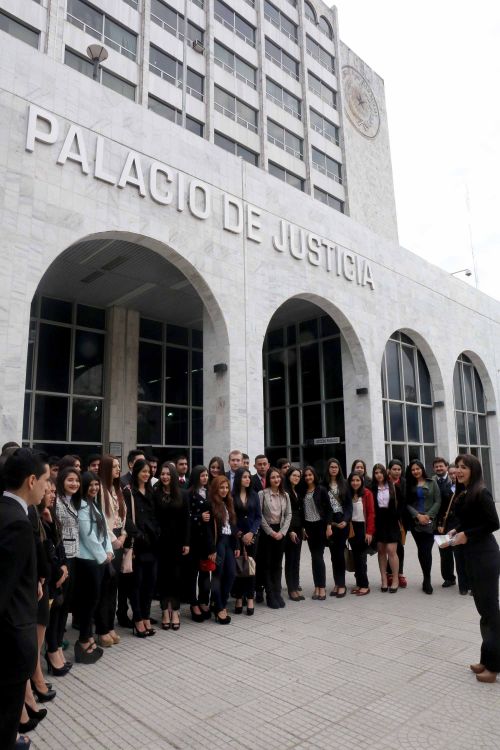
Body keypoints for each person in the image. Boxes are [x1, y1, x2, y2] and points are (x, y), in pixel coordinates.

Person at [0, 448, 49, 750]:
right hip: (11, 642)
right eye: (45, 480)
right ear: (31, 481)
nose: (47, 488)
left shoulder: (8, 510)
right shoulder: (17, 523)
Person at [448, 454, 500, 683]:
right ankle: (486, 659)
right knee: (484, 612)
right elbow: (471, 521)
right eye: (457, 466)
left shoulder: (481, 492)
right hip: (473, 556)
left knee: (491, 613)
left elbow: (493, 523)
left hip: (485, 557)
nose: (458, 471)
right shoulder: (466, 492)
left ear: (474, 470)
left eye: (464, 467)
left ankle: (494, 666)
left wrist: (466, 535)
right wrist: (457, 530)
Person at [75, 472, 112, 664]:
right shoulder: (81, 506)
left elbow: (104, 530)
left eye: (96, 484)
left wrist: (109, 550)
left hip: (98, 560)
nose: (94, 488)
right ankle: (83, 640)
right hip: (88, 561)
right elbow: (88, 536)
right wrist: (103, 556)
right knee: (88, 603)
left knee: (94, 601)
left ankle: (88, 637)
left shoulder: (93, 504)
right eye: (90, 485)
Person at [123, 459, 160, 637]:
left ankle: (146, 617)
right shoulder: (129, 491)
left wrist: (157, 532)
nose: (146, 474)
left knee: (150, 584)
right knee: (136, 584)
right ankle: (137, 619)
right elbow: (126, 518)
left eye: (148, 472)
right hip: (137, 544)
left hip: (152, 544)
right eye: (143, 471)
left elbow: (156, 515)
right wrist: (138, 535)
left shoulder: (152, 491)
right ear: (136, 472)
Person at [51, 466, 82, 673]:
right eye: (70, 480)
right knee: (58, 606)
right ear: (61, 480)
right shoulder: (56, 501)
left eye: (77, 480)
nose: (74, 483)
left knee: (66, 605)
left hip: (74, 556)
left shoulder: (74, 501)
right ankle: (52, 649)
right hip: (62, 559)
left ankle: (58, 646)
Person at [154, 463, 190, 631]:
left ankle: (175, 611)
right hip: (160, 542)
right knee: (163, 578)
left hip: (177, 543)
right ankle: (164, 611)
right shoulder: (155, 493)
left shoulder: (183, 494)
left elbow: (186, 520)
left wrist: (186, 542)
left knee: (176, 577)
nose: (165, 477)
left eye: (168, 474)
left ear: (174, 476)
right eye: (163, 474)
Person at [97, 455, 126, 643]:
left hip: (119, 539)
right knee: (105, 587)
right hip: (107, 542)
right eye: (114, 466)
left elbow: (123, 516)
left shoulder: (118, 488)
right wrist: (114, 540)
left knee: (114, 587)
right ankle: (102, 629)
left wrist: (123, 534)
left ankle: (110, 626)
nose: (118, 469)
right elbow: (101, 519)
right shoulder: (100, 489)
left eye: (118, 466)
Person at [405, 460, 441, 594]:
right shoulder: (408, 485)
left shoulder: (432, 482)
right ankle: (426, 578)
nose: (415, 471)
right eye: (413, 469)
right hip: (415, 523)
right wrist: (418, 515)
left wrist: (428, 516)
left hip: (430, 522)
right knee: (421, 549)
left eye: (418, 469)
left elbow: (438, 501)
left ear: (422, 469)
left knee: (427, 550)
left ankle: (427, 579)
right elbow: (406, 503)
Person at [259, 467, 292, 609]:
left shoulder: (285, 495)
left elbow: (289, 514)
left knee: (277, 564)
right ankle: (270, 594)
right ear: (268, 479)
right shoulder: (262, 494)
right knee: (267, 564)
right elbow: (259, 515)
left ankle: (277, 593)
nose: (276, 479)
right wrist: (271, 532)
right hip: (267, 533)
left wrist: (282, 532)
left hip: (281, 532)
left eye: (278, 477)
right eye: (273, 477)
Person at [209, 475, 240, 624]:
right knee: (218, 575)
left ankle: (220, 601)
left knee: (231, 573)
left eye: (226, 487)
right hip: (218, 543)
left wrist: (237, 545)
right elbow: (208, 530)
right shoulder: (211, 504)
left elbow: (234, 526)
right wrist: (211, 549)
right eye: (221, 487)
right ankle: (220, 607)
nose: (224, 490)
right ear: (216, 488)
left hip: (229, 542)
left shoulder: (229, 502)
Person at [232, 467, 262, 615]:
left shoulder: (254, 495)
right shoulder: (232, 495)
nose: (248, 479)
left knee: (250, 568)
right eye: (244, 477)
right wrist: (239, 533)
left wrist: (251, 532)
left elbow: (258, 517)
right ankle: (238, 597)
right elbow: (230, 517)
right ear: (238, 479)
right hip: (237, 538)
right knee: (238, 567)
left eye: (249, 477)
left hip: (252, 537)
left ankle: (250, 598)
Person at [185, 466, 213, 622]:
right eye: (202, 475)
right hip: (193, 539)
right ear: (196, 477)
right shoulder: (188, 494)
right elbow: (185, 516)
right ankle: (193, 603)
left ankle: (203, 601)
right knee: (192, 573)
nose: (205, 478)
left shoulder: (209, 492)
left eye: (206, 475)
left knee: (205, 572)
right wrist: (198, 517)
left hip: (206, 540)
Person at [436, 464, 469, 594]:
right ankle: (448, 578)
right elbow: (440, 507)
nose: (454, 475)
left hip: (459, 526)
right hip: (445, 525)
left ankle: (465, 584)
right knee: (444, 553)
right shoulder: (445, 488)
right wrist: (439, 523)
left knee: (459, 555)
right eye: (451, 474)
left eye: (455, 473)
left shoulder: (466, 489)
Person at [301, 466, 330, 601]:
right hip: (309, 527)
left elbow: (329, 509)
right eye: (306, 475)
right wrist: (303, 528)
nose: (308, 477)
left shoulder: (321, 490)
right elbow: (301, 511)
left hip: (320, 526)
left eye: (310, 475)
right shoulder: (303, 491)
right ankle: (317, 586)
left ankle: (322, 587)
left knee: (318, 557)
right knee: (314, 557)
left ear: (314, 476)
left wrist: (328, 526)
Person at [324, 458, 351, 598]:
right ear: (328, 469)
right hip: (330, 523)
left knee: (340, 554)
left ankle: (342, 584)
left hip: (342, 523)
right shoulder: (323, 485)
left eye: (336, 467)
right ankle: (337, 583)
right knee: (333, 555)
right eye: (331, 467)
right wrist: (328, 524)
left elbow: (349, 506)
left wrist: (346, 521)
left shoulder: (345, 484)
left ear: (339, 468)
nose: (334, 469)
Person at [372, 463, 401, 593]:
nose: (379, 475)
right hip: (378, 521)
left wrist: (399, 519)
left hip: (392, 521)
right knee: (381, 550)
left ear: (385, 473)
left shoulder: (393, 486)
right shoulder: (372, 488)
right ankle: (384, 579)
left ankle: (395, 579)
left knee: (391, 550)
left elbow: (401, 504)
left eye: (380, 472)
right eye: (376, 473)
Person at [346, 471, 375, 596]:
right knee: (356, 557)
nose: (355, 483)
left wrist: (369, 532)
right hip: (352, 528)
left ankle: (364, 585)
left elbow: (371, 513)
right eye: (353, 480)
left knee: (361, 558)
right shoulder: (348, 494)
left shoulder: (367, 493)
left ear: (362, 481)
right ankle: (359, 583)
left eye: (357, 480)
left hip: (363, 528)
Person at [433, 457, 456, 587]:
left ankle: (465, 580)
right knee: (444, 552)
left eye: (441, 466)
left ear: (446, 467)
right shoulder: (431, 482)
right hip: (440, 524)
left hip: (455, 523)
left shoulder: (454, 481)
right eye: (436, 466)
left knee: (459, 551)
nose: (439, 468)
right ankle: (449, 578)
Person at [283, 466, 304, 601]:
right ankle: (291, 589)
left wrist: (302, 528)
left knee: (297, 559)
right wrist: (290, 530)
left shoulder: (297, 490)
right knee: (290, 559)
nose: (296, 478)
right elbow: (285, 513)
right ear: (288, 476)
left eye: (298, 476)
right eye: (294, 475)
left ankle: (296, 587)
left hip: (299, 528)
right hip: (289, 529)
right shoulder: (285, 491)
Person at [387, 459, 408, 588]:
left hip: (400, 520)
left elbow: (405, 501)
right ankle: (389, 573)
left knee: (399, 546)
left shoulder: (404, 482)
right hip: (387, 520)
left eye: (399, 469)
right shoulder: (385, 482)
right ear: (389, 470)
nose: (397, 471)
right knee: (389, 547)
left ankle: (399, 573)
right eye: (394, 469)